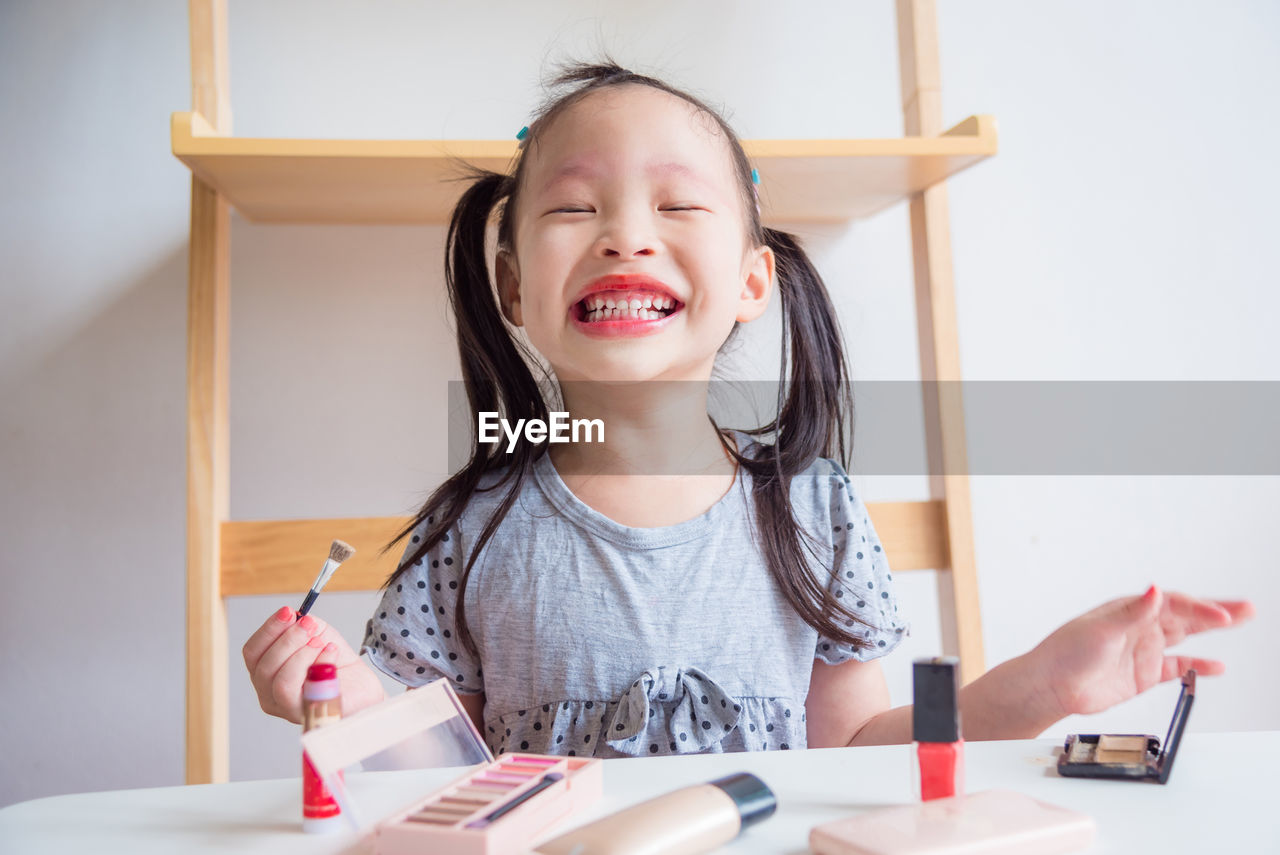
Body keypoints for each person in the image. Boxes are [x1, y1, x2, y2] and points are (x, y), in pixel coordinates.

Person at [242, 61, 1254, 757]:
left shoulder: (815, 518)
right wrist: (342, 704)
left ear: (749, 283)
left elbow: (858, 750)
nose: (624, 236)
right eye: (572, 207)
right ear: (512, 291)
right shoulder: (469, 531)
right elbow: (429, 770)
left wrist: (1037, 689)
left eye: (676, 205)